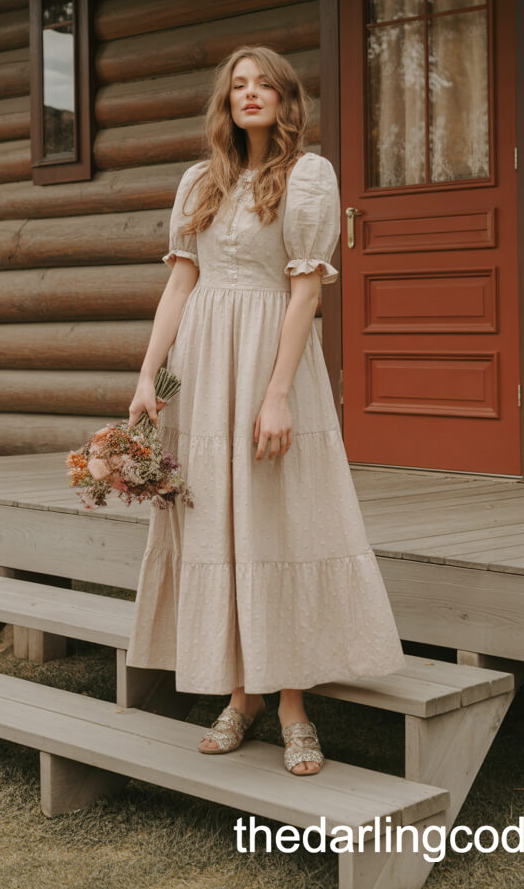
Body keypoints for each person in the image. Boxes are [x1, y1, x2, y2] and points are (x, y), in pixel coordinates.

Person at [125, 45, 406, 776]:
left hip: (269, 365)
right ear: (227, 102)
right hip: (201, 366)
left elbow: (306, 294)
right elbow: (179, 288)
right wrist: (149, 377)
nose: (250, 95)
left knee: (276, 520)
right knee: (219, 520)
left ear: (285, 100)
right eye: (238, 86)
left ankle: (292, 706)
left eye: (264, 86)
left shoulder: (307, 177)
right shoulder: (199, 182)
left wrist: (277, 393)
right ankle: (240, 697)